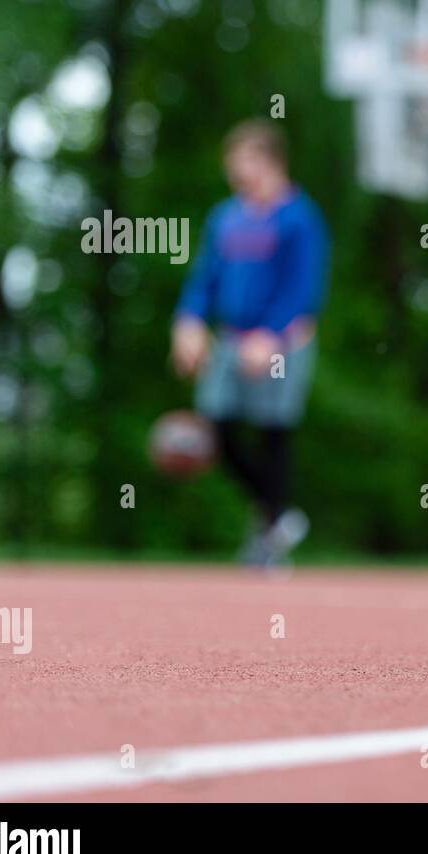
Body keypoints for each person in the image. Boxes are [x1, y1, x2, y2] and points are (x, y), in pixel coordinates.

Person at [170, 120, 329, 568]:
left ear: (272, 162)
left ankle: (269, 540)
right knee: (215, 428)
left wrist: (272, 334)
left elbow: (304, 288)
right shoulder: (226, 217)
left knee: (274, 433)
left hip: (283, 343)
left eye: (244, 165)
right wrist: (188, 321)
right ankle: (278, 516)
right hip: (230, 339)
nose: (237, 177)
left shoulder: (300, 217)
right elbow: (205, 277)